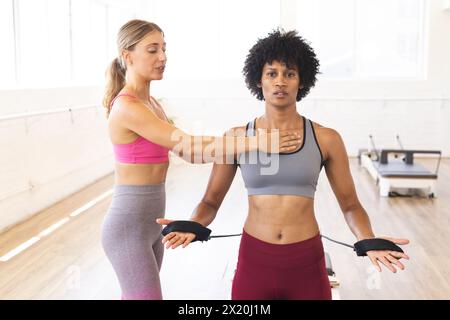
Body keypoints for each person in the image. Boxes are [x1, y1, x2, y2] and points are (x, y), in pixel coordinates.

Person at [157, 29, 410, 300]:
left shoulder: (326, 139)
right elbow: (210, 201)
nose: (280, 81)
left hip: (306, 261)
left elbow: (350, 205)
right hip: (255, 260)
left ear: (302, 81)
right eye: (272, 73)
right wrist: (194, 223)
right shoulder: (237, 138)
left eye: (289, 74)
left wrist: (367, 239)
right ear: (259, 80)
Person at [100, 20, 302, 300]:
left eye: (164, 49)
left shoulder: (153, 104)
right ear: (127, 55)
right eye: (152, 50)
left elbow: (186, 153)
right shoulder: (127, 107)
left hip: (150, 227)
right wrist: (257, 142)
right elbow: (191, 147)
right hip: (127, 229)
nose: (162, 58)